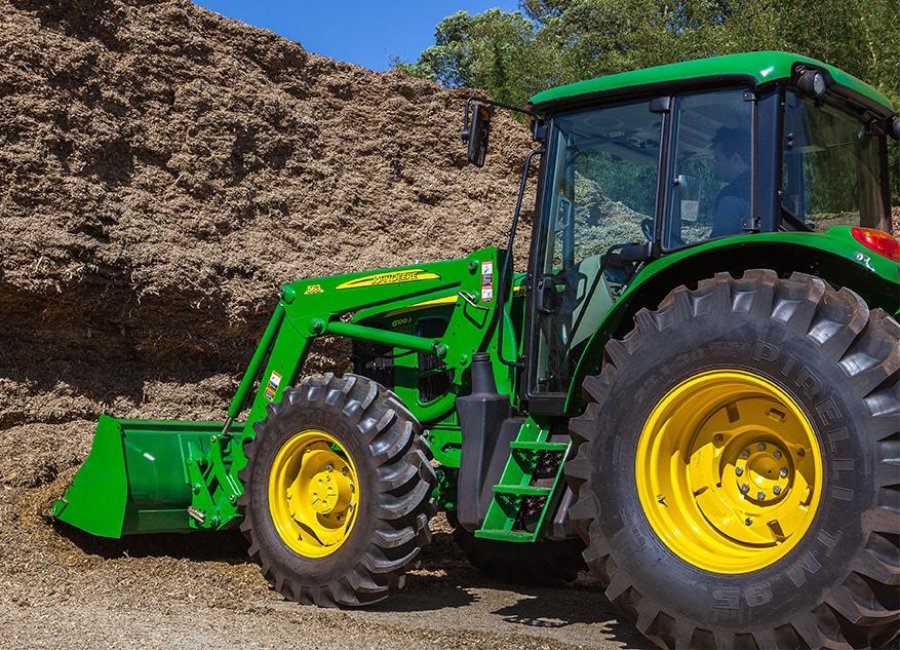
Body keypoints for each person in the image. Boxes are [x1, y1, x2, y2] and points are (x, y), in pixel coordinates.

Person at [710, 127, 751, 237]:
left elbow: (719, 245)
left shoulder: (730, 197)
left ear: (736, 158)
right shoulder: (777, 192)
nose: (715, 164)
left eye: (718, 159)